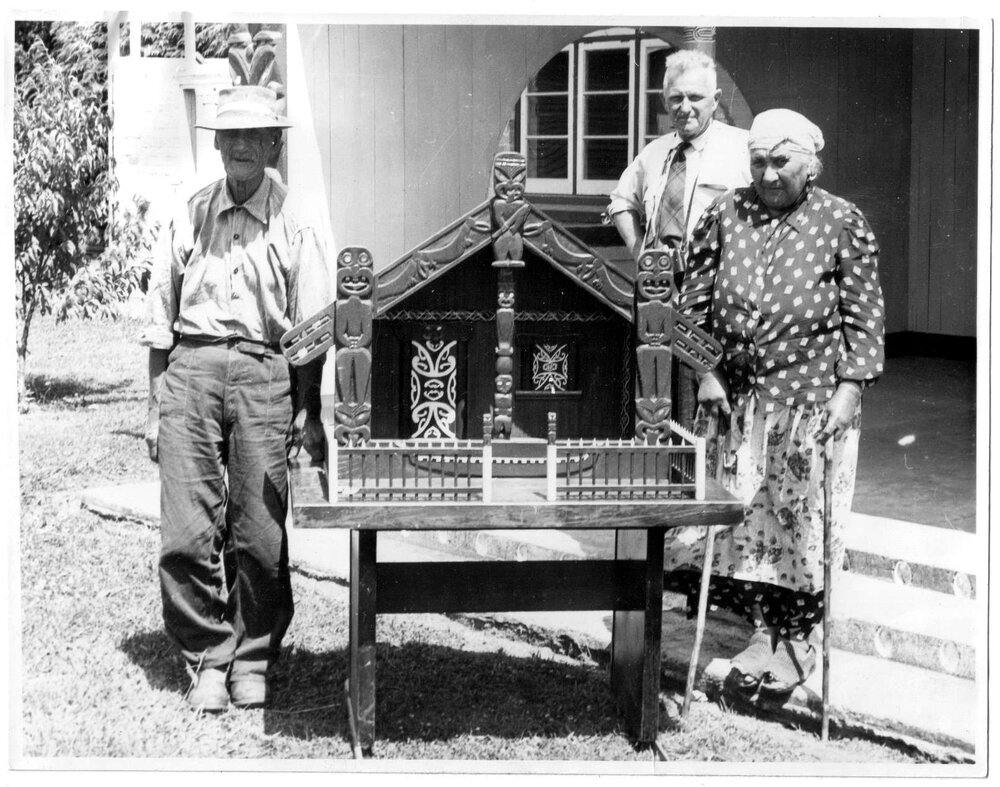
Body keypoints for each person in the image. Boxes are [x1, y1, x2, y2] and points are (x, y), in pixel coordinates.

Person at [664, 108, 885, 694]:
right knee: (738, 523)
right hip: (735, 401)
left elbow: (863, 319)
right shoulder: (726, 212)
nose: (766, 173)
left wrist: (850, 388)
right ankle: (762, 633)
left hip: (809, 405)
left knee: (798, 527)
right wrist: (705, 371)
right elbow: (691, 304)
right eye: (757, 161)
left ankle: (796, 645)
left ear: (811, 164)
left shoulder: (842, 221)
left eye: (779, 161)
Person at [140, 85, 332, 711]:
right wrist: (154, 406)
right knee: (185, 533)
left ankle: (252, 658)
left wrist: (308, 411)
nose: (243, 146)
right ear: (217, 143)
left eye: (256, 136)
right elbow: (159, 319)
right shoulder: (190, 213)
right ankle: (207, 657)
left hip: (264, 374)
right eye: (232, 135)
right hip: (190, 370)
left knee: (260, 532)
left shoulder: (295, 221)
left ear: (275, 145)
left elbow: (312, 331)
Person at [608, 48, 750, 423]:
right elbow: (622, 201)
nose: (685, 107)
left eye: (695, 97)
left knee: (708, 390)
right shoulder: (655, 153)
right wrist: (639, 250)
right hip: (659, 288)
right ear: (664, 101)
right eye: (676, 98)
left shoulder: (742, 149)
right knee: (658, 390)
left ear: (716, 100)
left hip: (714, 288)